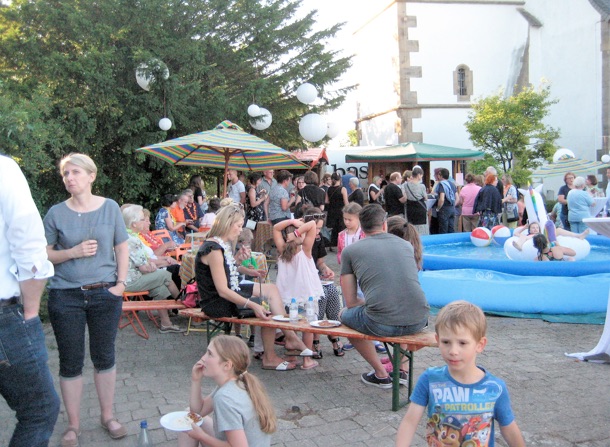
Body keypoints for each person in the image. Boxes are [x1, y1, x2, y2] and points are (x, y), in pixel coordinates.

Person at [43, 153, 129, 445]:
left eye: (75, 172)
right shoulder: (56, 213)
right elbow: (44, 253)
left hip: (105, 293)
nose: (70, 178)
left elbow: (122, 246)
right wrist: (72, 253)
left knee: (104, 358)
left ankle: (108, 416)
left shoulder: (110, 208)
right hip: (65, 295)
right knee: (70, 362)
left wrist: (120, 284)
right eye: (66, 174)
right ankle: (73, 425)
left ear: (92, 176)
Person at [396, 301, 525, 447]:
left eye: (462, 343)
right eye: (446, 342)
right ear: (437, 341)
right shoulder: (430, 379)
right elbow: (410, 422)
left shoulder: (495, 388)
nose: (453, 351)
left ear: (480, 344)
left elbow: (509, 428)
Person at [196, 204, 306, 371]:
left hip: (228, 292)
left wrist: (238, 260)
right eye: (239, 225)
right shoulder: (213, 249)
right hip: (217, 302)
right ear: (227, 223)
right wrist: (253, 304)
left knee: (271, 289)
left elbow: (228, 272)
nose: (240, 230)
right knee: (266, 312)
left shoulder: (220, 244)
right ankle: (272, 354)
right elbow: (222, 289)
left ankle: (288, 337)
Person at [0, 155, 60, 447]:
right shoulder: (3, 169)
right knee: (39, 409)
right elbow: (31, 251)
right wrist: (31, 313)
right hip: (5, 317)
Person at [339, 204, 429, 388]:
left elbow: (350, 302)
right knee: (397, 309)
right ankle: (401, 370)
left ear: (361, 227)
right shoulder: (406, 246)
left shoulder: (350, 251)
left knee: (344, 316)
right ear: (384, 224)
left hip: (382, 323)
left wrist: (372, 302)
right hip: (419, 319)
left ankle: (380, 374)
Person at [178, 335, 276, 447]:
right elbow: (197, 412)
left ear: (227, 365)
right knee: (188, 417)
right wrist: (196, 380)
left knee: (188, 425)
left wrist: (201, 436)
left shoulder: (224, 398)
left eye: (210, 354)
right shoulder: (238, 381)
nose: (203, 358)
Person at [122, 205, 185, 333]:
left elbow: (143, 263)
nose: (146, 221)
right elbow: (144, 268)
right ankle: (185, 309)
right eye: (142, 219)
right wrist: (152, 267)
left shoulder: (126, 236)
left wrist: (151, 266)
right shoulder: (132, 240)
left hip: (130, 277)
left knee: (159, 286)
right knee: (165, 275)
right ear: (134, 224)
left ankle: (166, 324)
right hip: (129, 281)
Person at [273, 218, 324, 370]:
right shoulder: (305, 249)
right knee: (306, 327)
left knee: (291, 326)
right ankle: (307, 359)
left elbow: (276, 228)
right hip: (305, 297)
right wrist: (298, 229)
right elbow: (313, 224)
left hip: (286, 298)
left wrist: (291, 221)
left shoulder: (282, 249)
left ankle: (291, 356)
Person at [302, 208, 345, 357]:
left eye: (320, 228)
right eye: (317, 228)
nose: (318, 231)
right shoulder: (301, 240)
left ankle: (332, 333)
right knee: (322, 295)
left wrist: (325, 269)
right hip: (303, 280)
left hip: (315, 278)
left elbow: (320, 261)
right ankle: (315, 337)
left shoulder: (318, 239)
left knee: (332, 291)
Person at [512, 221, 588, 251]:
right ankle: (519, 245)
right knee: (523, 236)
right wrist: (524, 228)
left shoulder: (541, 234)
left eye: (537, 227)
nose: (535, 229)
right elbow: (516, 234)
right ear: (530, 229)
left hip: (547, 239)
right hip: (533, 239)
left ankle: (579, 236)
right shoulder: (528, 235)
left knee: (558, 230)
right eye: (533, 228)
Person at [403, 166, 429, 235]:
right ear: (418, 175)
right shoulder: (422, 186)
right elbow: (425, 198)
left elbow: (404, 196)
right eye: (421, 175)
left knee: (411, 227)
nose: (421, 177)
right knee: (422, 228)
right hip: (420, 209)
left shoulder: (406, 185)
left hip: (410, 208)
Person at [325, 172, 349, 249]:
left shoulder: (329, 189)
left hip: (332, 211)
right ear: (340, 179)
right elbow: (346, 202)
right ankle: (341, 244)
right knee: (341, 228)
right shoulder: (343, 189)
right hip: (340, 211)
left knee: (333, 229)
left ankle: (332, 244)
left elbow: (326, 201)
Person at [435, 168, 457, 234]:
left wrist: (438, 208)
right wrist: (453, 205)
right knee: (451, 228)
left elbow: (442, 199)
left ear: (440, 175)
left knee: (443, 230)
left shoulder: (442, 184)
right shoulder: (452, 184)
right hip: (452, 208)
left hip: (444, 209)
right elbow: (457, 197)